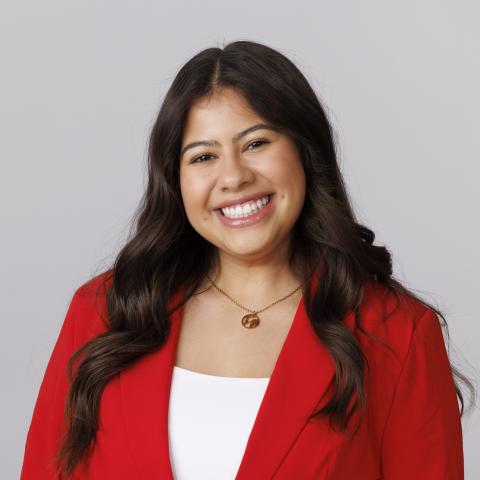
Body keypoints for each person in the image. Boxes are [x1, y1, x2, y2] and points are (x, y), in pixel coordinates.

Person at [20, 40, 472, 479]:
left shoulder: (397, 333)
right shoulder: (104, 313)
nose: (233, 176)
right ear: (176, 180)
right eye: (203, 156)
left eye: (256, 144)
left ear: (305, 153)